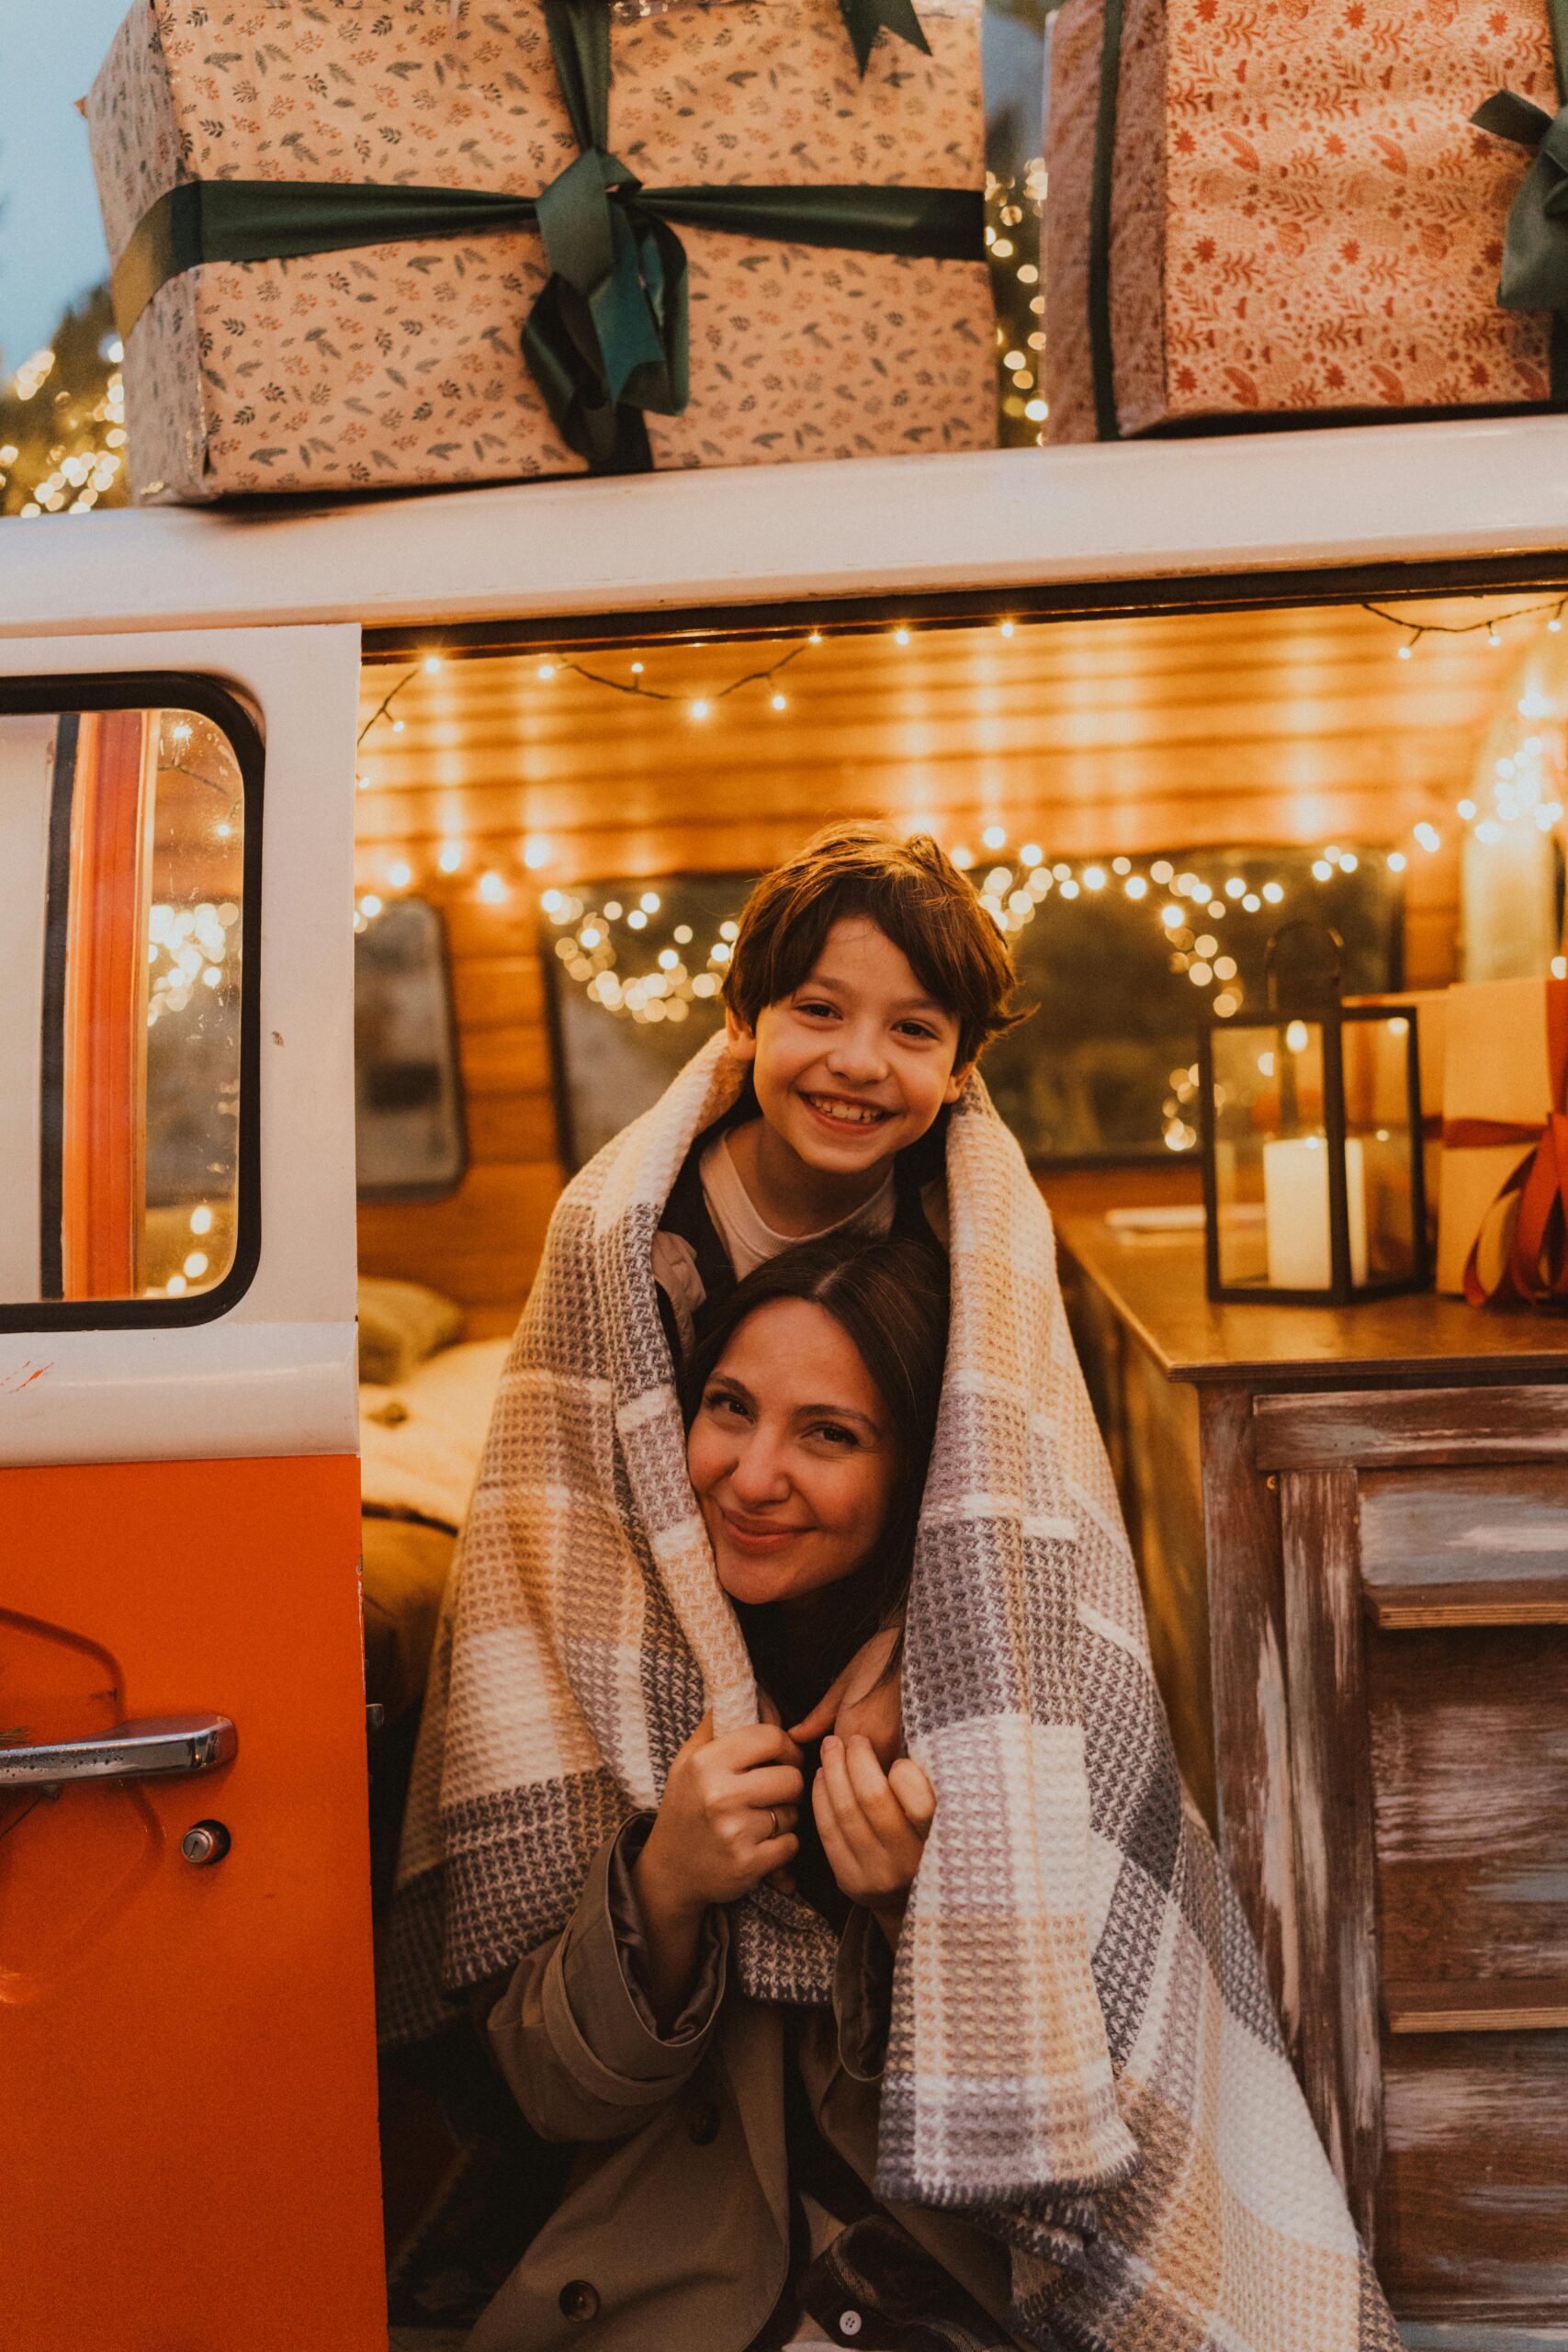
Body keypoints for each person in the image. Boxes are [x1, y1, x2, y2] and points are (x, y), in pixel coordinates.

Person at [469, 1232, 1026, 2351]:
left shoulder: (1000, 1691)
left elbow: (1067, 2133)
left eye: (829, 1433)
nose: (753, 1474)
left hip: (923, 2287)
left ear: (923, 1468)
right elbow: (544, 2094)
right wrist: (664, 1883)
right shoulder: (619, 1648)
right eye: (728, 1408)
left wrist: (910, 1912)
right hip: (669, 2300)